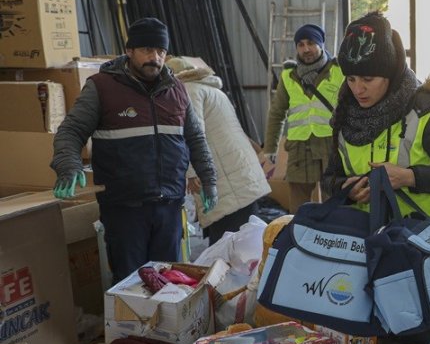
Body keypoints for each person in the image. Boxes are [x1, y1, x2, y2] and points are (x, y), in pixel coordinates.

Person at [50, 18, 218, 283]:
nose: (155, 57)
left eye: (161, 51)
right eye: (147, 50)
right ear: (129, 51)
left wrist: (208, 179)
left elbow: (196, 138)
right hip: (124, 209)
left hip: (169, 206)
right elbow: (71, 131)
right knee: (130, 284)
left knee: (169, 281)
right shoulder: (102, 87)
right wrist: (68, 165)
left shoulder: (177, 91)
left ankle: (167, 326)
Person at [323, 12, 430, 234]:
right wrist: (346, 190)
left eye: (368, 79)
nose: (358, 89)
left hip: (421, 245)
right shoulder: (344, 117)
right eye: (351, 79)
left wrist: (409, 177)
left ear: (390, 75)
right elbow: (328, 178)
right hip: (363, 245)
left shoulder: (423, 112)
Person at [167, 55, 271, 244]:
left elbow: (193, 135)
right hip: (241, 175)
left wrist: (192, 173)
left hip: (225, 181)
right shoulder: (213, 90)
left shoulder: (188, 91)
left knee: (228, 248)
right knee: (248, 243)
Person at [263, 23, 344, 209]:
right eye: (300, 44)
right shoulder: (288, 75)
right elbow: (276, 113)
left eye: (311, 43)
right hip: (300, 149)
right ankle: (300, 237)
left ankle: (333, 236)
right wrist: (270, 149)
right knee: (299, 210)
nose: (306, 49)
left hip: (330, 147)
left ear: (321, 44)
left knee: (335, 203)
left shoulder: (338, 71)